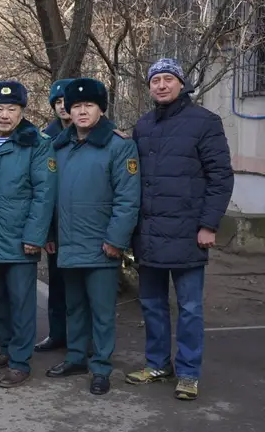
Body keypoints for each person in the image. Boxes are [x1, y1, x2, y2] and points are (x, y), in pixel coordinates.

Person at [125, 58, 233, 400]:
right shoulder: (142, 126)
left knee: (188, 308)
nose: (161, 85)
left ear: (181, 83)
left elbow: (220, 177)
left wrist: (208, 224)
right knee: (153, 305)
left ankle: (188, 373)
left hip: (189, 234)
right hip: (150, 234)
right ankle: (158, 364)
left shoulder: (205, 122)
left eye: (168, 79)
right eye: (155, 80)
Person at [46, 78, 140, 395]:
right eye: (76, 106)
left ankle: (100, 366)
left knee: (101, 311)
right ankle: (75, 357)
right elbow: (47, 195)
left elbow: (128, 200)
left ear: (101, 109)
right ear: (68, 111)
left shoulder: (119, 146)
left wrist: (116, 240)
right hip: (68, 242)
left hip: (102, 245)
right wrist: (50, 233)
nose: (82, 111)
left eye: (89, 105)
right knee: (74, 306)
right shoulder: (60, 146)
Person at [0, 81, 56, 388]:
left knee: (22, 301)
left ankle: (21, 361)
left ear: (22, 111)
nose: (4, 115)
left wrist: (35, 236)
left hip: (20, 238)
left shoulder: (36, 144)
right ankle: (6, 350)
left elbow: (44, 193)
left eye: (11, 109)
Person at [35, 78, 74, 353]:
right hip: (57, 225)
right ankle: (57, 333)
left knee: (82, 287)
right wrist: (47, 232)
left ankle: (82, 338)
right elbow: (42, 189)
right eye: (57, 102)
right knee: (58, 283)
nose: (62, 107)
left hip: (84, 223)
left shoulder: (94, 135)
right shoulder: (45, 139)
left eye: (66, 102)